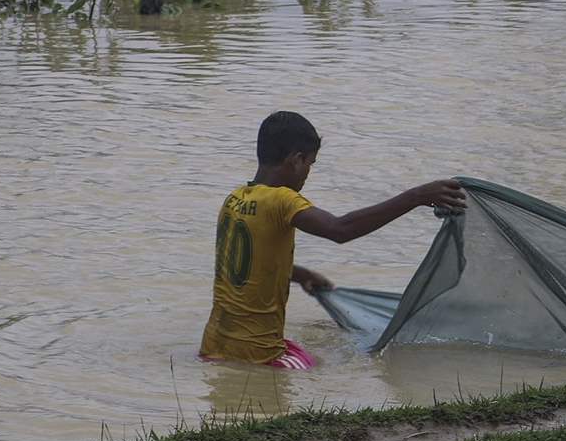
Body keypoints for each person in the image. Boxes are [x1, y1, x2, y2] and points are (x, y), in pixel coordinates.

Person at [199, 111, 465, 369]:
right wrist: (416, 196)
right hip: (258, 353)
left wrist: (300, 275)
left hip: (214, 346)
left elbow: (244, 265)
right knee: (342, 367)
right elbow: (340, 229)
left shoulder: (234, 199)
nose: (307, 173)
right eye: (310, 164)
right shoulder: (282, 200)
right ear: (296, 159)